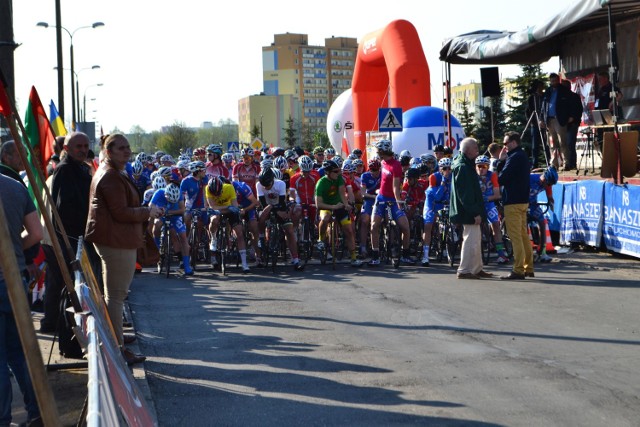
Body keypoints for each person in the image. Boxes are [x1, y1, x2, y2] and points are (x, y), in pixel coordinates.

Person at [85, 134, 164, 365]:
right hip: (116, 241)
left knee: (115, 295)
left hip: (116, 239)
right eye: (121, 148)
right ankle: (117, 349)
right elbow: (120, 212)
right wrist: (146, 212)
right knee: (116, 297)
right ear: (108, 152)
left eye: (128, 147)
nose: (127, 151)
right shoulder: (110, 176)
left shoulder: (114, 172)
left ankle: (115, 341)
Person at [42, 132, 96, 333]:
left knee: (61, 284)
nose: (83, 150)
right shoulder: (65, 170)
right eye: (78, 146)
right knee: (67, 286)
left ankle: (62, 325)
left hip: (75, 238)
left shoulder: (80, 168)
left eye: (85, 146)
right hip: (69, 239)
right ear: (66, 149)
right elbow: (63, 209)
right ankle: (66, 328)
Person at [0, 174, 43, 426]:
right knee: (19, 352)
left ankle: (3, 419)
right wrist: (16, 249)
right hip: (14, 279)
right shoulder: (15, 186)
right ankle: (36, 411)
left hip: (10, 277)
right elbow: (36, 233)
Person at [450, 138, 492, 279]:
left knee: (475, 239)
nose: (477, 150)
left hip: (469, 209)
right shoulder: (463, 167)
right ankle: (464, 270)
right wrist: (475, 212)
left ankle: (476, 268)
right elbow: (465, 194)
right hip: (468, 210)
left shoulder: (464, 164)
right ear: (467, 150)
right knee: (470, 239)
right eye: (475, 147)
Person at [368, 139, 414, 266]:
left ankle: (405, 254)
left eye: (379, 151)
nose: (378, 153)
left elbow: (395, 187)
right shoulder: (382, 162)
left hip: (394, 199)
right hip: (381, 198)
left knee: (405, 227)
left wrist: (399, 202)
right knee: (374, 226)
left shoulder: (396, 165)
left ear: (385, 151)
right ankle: (375, 256)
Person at [496, 131, 533, 280]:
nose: (504, 147)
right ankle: (528, 267)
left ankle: (518, 269)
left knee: (515, 236)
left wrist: (500, 162)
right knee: (523, 235)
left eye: (505, 144)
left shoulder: (513, 157)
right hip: (523, 200)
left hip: (513, 201)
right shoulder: (523, 156)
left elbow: (502, 178)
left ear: (513, 143)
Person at [314, 160, 362, 267]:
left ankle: (353, 258)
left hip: (339, 205)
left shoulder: (339, 178)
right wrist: (332, 207)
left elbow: (341, 192)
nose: (339, 173)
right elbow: (318, 204)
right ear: (328, 172)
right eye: (335, 171)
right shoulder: (321, 183)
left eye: (339, 171)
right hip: (326, 206)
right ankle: (321, 240)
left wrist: (346, 204)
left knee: (349, 230)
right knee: (325, 218)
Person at [475, 155, 509, 264]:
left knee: (495, 225)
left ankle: (501, 254)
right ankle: (477, 254)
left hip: (489, 203)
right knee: (476, 227)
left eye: (484, 166)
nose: (481, 168)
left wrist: (485, 198)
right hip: (477, 205)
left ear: (488, 167)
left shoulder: (492, 176)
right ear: (476, 167)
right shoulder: (472, 176)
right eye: (479, 166)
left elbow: (497, 195)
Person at [421, 158, 452, 267]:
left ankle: (446, 244)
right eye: (444, 168)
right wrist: (443, 182)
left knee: (451, 222)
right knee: (428, 225)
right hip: (432, 202)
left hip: (444, 201)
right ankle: (425, 255)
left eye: (449, 168)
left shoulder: (453, 177)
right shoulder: (434, 177)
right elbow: (437, 196)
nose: (447, 170)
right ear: (440, 169)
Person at [542, 73, 574, 171]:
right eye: (552, 81)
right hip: (549, 119)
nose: (554, 83)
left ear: (558, 80)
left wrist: (571, 115)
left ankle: (566, 163)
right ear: (550, 81)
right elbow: (543, 106)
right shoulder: (548, 91)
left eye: (555, 81)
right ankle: (554, 164)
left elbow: (570, 104)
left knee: (562, 142)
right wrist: (541, 119)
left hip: (559, 119)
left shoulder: (564, 90)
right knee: (553, 143)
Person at [528, 166, 558, 262]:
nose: (548, 185)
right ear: (544, 178)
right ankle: (527, 251)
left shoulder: (548, 183)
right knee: (523, 224)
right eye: (548, 183)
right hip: (522, 203)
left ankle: (543, 252)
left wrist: (551, 203)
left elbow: (550, 197)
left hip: (533, 204)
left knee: (542, 222)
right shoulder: (530, 179)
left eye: (551, 184)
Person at [525, 80, 549, 168]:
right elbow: (528, 111)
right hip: (535, 124)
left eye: (541, 87)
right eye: (538, 87)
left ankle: (548, 161)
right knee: (535, 144)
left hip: (544, 123)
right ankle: (535, 163)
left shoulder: (545, 97)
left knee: (546, 143)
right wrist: (532, 122)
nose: (540, 89)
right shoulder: (532, 98)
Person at [561, 80, 583, 171]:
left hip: (573, 123)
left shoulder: (574, 96)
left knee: (570, 143)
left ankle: (572, 164)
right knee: (564, 144)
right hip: (563, 123)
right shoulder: (561, 97)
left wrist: (573, 117)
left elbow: (579, 109)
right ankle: (566, 163)